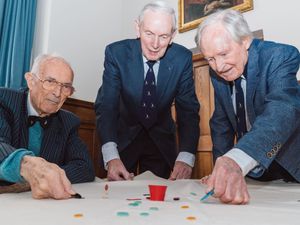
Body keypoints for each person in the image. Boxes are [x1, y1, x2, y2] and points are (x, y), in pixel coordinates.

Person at [195, 9, 300, 204]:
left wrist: (237, 159)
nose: (218, 66)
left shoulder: (279, 55)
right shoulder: (218, 74)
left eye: (223, 53)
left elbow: (282, 110)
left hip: (292, 168)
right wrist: (221, 169)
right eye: (210, 59)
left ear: (245, 41)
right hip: (255, 173)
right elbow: (221, 124)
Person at [95, 1, 200, 181]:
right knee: (115, 197)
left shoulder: (182, 59)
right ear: (138, 28)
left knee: (159, 201)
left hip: (160, 140)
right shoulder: (116, 53)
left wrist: (186, 157)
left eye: (164, 36)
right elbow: (107, 106)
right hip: (122, 138)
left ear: (173, 35)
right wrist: (111, 156)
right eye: (149, 33)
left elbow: (188, 111)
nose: (155, 44)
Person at [0, 54, 95, 199]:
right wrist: (28, 166)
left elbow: (84, 167)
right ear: (31, 81)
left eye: (66, 87)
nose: (57, 93)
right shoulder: (4, 100)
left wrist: (44, 177)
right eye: (50, 81)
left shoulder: (69, 121)